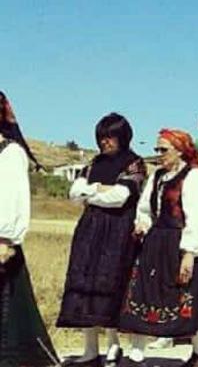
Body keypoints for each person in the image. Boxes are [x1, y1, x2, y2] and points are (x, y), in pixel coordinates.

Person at [118, 129, 198, 367]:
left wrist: (190, 252)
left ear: (180, 150)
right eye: (157, 149)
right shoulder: (157, 176)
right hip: (154, 244)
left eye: (164, 149)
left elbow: (197, 217)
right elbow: (146, 209)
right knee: (143, 293)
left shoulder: (192, 176)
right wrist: (142, 224)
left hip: (181, 244)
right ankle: (136, 353)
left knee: (191, 299)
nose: (159, 154)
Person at [57, 113, 148, 367]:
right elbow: (73, 194)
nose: (105, 142)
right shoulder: (93, 162)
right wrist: (99, 190)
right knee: (84, 284)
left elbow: (120, 197)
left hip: (119, 232)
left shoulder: (134, 163)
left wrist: (91, 190)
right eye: (102, 137)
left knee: (113, 285)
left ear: (122, 137)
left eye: (111, 137)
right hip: (89, 230)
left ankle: (113, 346)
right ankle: (89, 350)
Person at [0, 91, 58, 366]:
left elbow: (13, 201)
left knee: (9, 328)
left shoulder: (10, 153)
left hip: (1, 246)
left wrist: (5, 241)